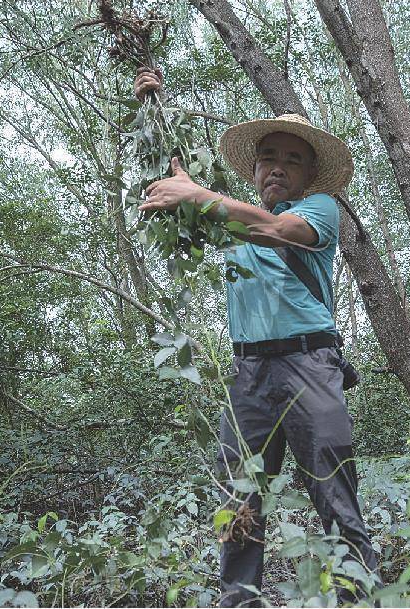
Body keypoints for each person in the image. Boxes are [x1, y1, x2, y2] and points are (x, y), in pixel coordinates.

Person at [135, 69, 380, 606]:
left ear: (310, 173)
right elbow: (174, 193)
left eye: (294, 159)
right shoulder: (229, 220)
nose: (279, 167)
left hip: (310, 365)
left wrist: (198, 194)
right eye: (271, 156)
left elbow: (276, 229)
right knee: (240, 501)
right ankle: (238, 601)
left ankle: (359, 597)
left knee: (335, 493)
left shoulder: (319, 210)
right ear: (255, 168)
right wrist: (154, 107)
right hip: (246, 378)